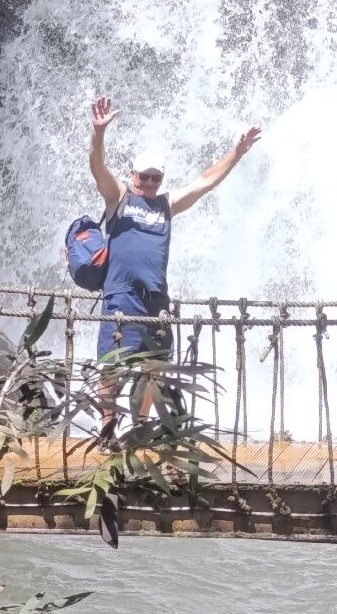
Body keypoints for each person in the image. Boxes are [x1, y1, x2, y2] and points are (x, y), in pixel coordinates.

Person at [88, 95, 261, 429]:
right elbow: (98, 168)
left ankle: (139, 427)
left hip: (156, 299)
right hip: (121, 296)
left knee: (153, 368)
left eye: (157, 178)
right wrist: (98, 133)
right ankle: (107, 426)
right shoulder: (119, 197)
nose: (151, 183)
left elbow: (206, 181)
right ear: (133, 174)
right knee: (111, 365)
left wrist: (237, 152)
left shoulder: (166, 205)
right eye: (145, 176)